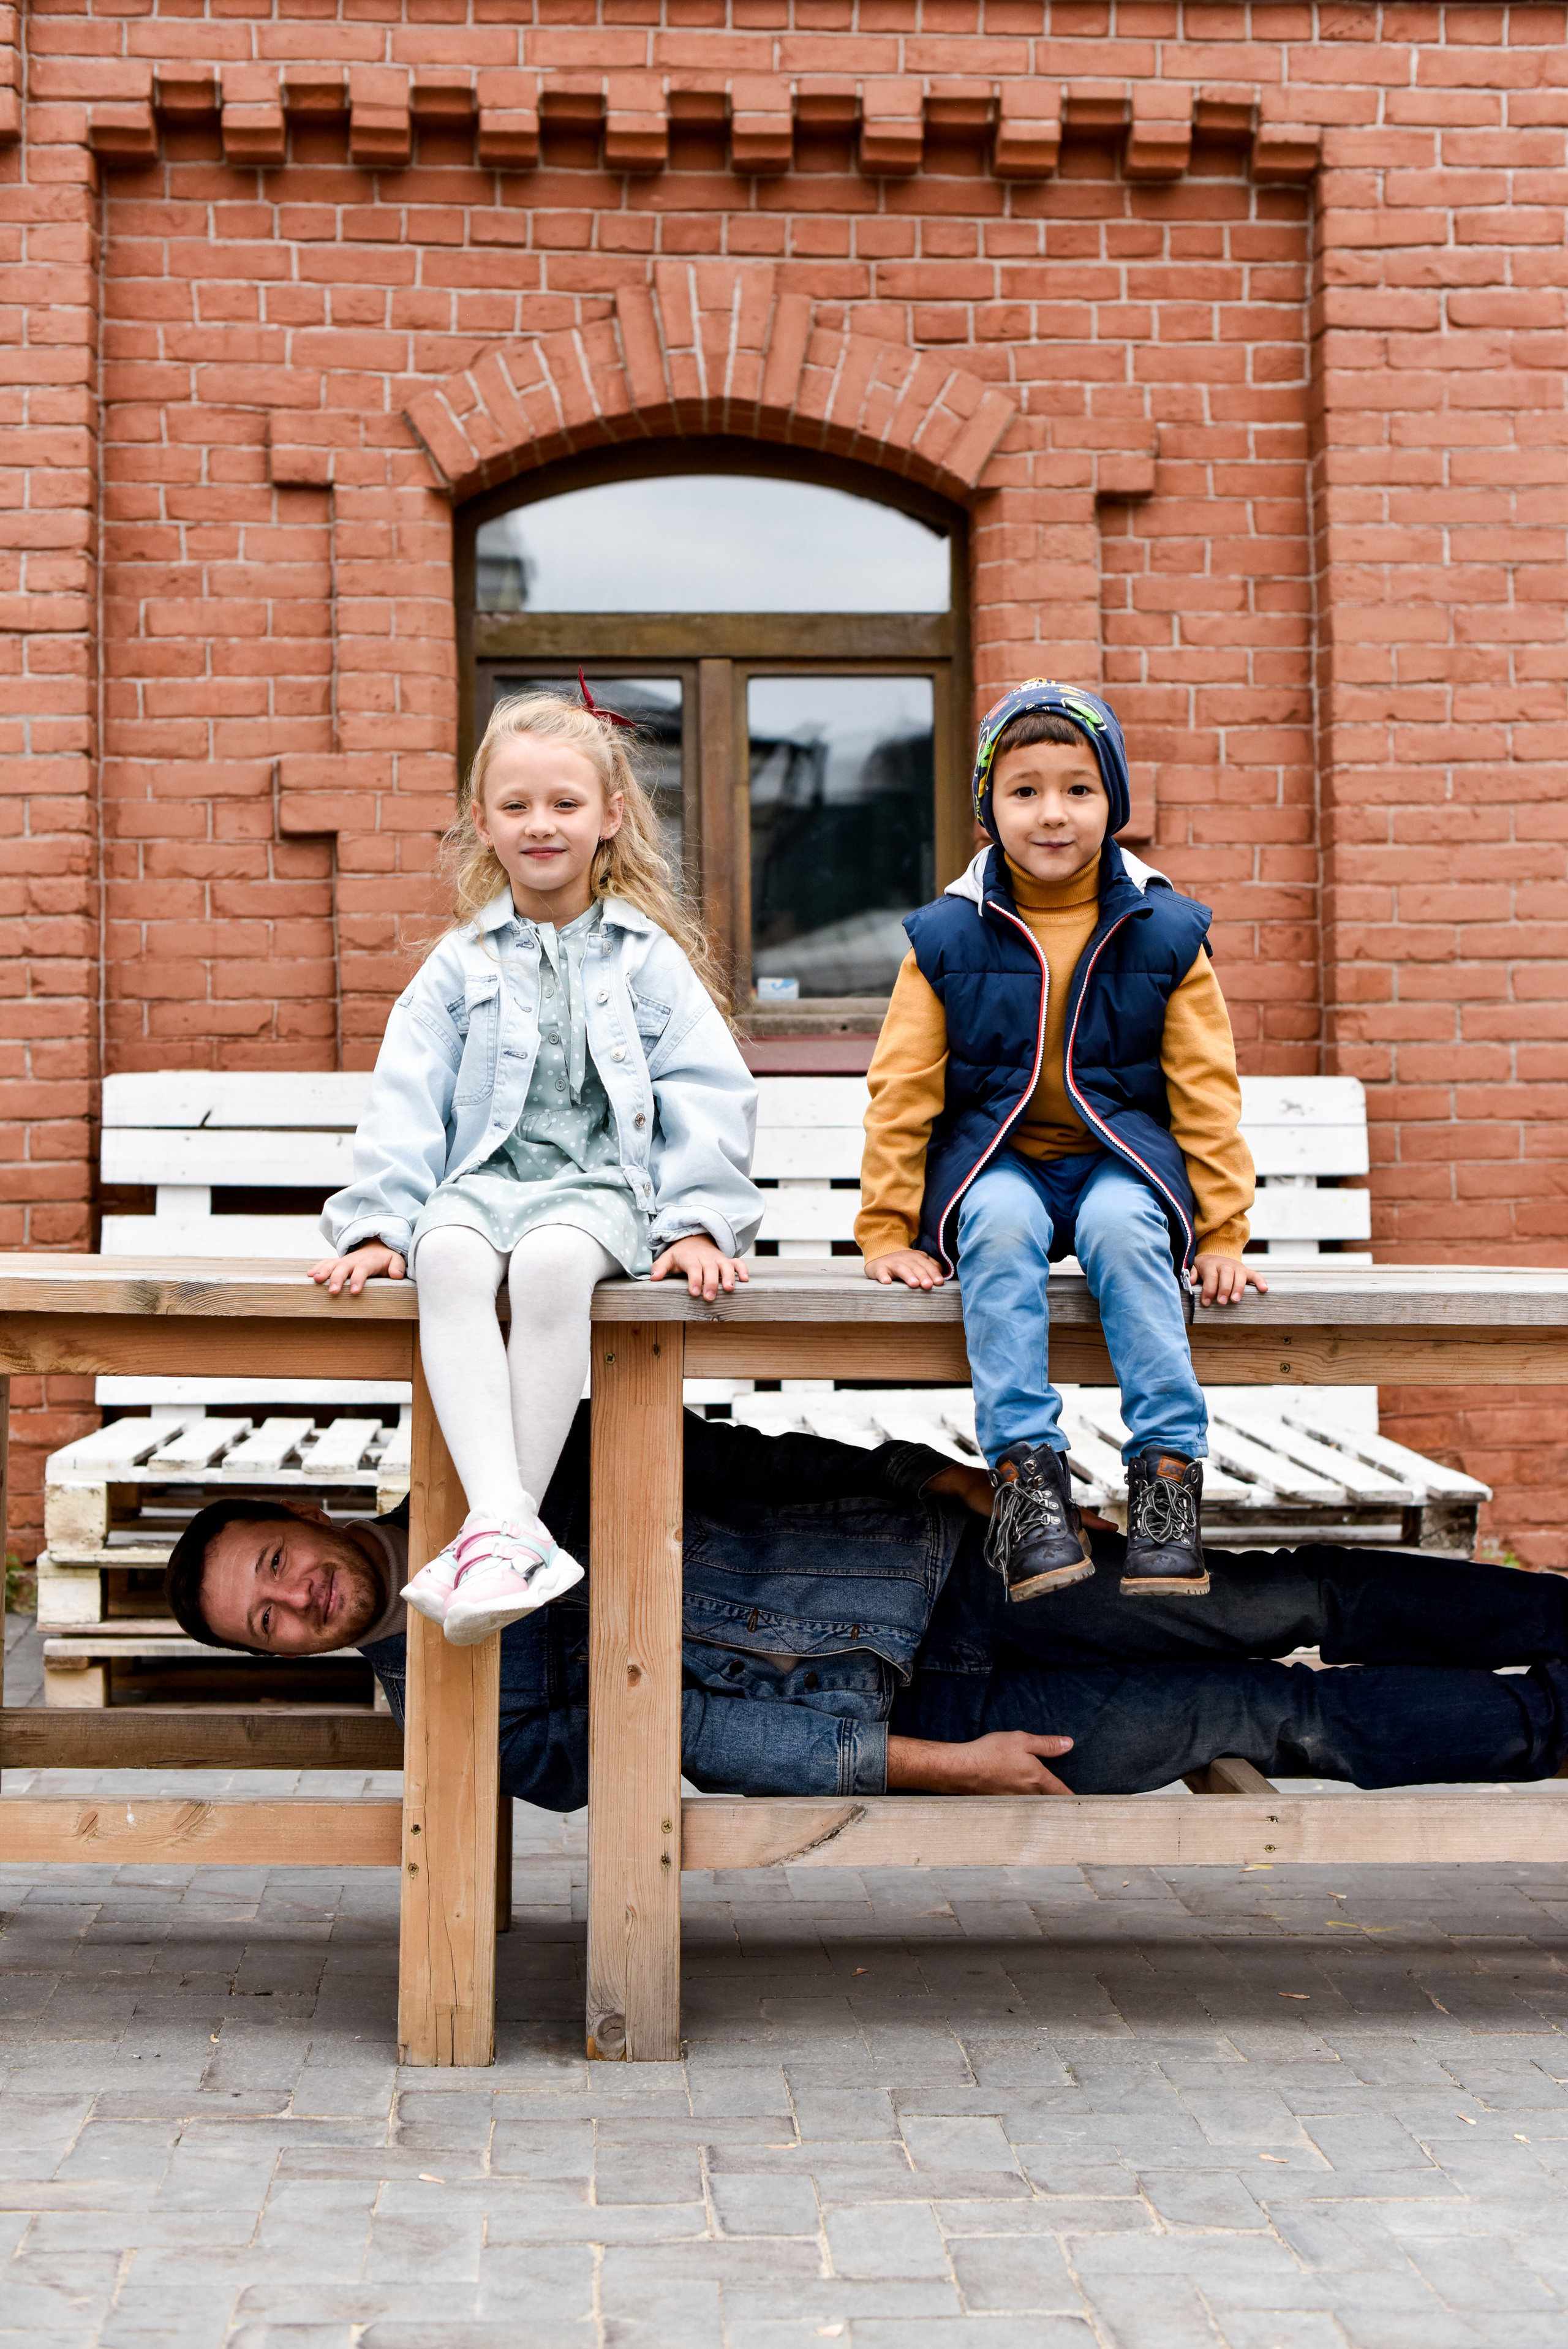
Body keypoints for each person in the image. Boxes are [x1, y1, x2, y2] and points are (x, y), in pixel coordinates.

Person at [164, 1411, 1568, 1807]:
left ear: (305, 1518)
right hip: (922, 1709)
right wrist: (943, 1767)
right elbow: (685, 1743)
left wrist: (935, 1480)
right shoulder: (472, 1715)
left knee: (1283, 1592)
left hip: (933, 1564)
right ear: (277, 1656)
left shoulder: (510, 1460)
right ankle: (1550, 1727)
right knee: (1277, 1712)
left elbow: (737, 1458)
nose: (298, 1599)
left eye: (276, 1566)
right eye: (268, 1624)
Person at [307, 690, 760, 1648]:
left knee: (553, 1264)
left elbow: (708, 1093)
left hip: (601, 1189)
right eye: (515, 806)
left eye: (564, 804)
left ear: (610, 817)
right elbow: (407, 1097)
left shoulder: (647, 961)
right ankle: (507, 1525)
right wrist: (384, 1224)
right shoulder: (458, 965)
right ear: (483, 821)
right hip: (480, 1183)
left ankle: (496, 1528)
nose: (540, 824)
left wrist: (696, 1222)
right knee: (451, 1261)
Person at [857, 678, 1266, 1607]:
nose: (1053, 814)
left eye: (1079, 790)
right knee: (996, 1229)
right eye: (1025, 791)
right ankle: (1027, 1485)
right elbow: (904, 1087)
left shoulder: (1164, 930)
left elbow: (1207, 1091)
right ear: (987, 808)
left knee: (1128, 1235)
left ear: (1113, 801)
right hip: (1000, 1165)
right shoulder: (948, 933)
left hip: (1120, 1161)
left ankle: (1165, 1480)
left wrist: (1226, 1232)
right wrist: (888, 1230)